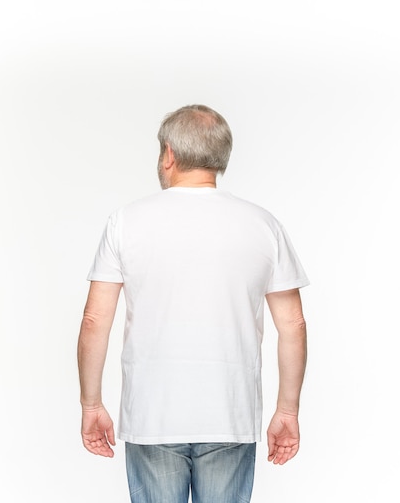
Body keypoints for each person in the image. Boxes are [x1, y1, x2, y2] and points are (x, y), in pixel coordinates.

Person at [77, 104, 309, 503]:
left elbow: (96, 319)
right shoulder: (263, 224)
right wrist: (287, 411)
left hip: (153, 415)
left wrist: (91, 403)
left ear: (169, 154)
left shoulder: (125, 222)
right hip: (229, 413)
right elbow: (294, 326)